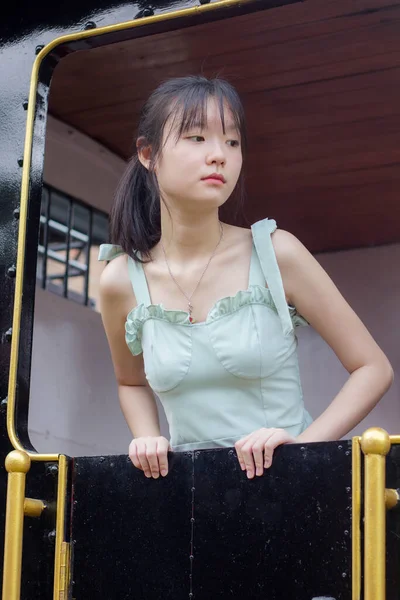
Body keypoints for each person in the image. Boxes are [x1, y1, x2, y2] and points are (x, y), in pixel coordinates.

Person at [98, 75, 393, 481]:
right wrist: (148, 438)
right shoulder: (120, 280)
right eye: (197, 138)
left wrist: (304, 448)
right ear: (148, 154)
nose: (219, 155)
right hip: (187, 501)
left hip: (292, 489)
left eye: (232, 142)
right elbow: (129, 383)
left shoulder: (276, 252)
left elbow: (373, 368)